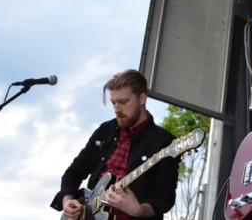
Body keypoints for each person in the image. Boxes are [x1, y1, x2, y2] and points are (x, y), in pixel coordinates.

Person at [50, 69, 179, 220]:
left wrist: (138, 210)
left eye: (123, 102)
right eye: (114, 103)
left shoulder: (163, 141)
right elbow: (73, 172)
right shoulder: (105, 130)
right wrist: (67, 202)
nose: (117, 109)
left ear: (142, 98)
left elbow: (165, 198)